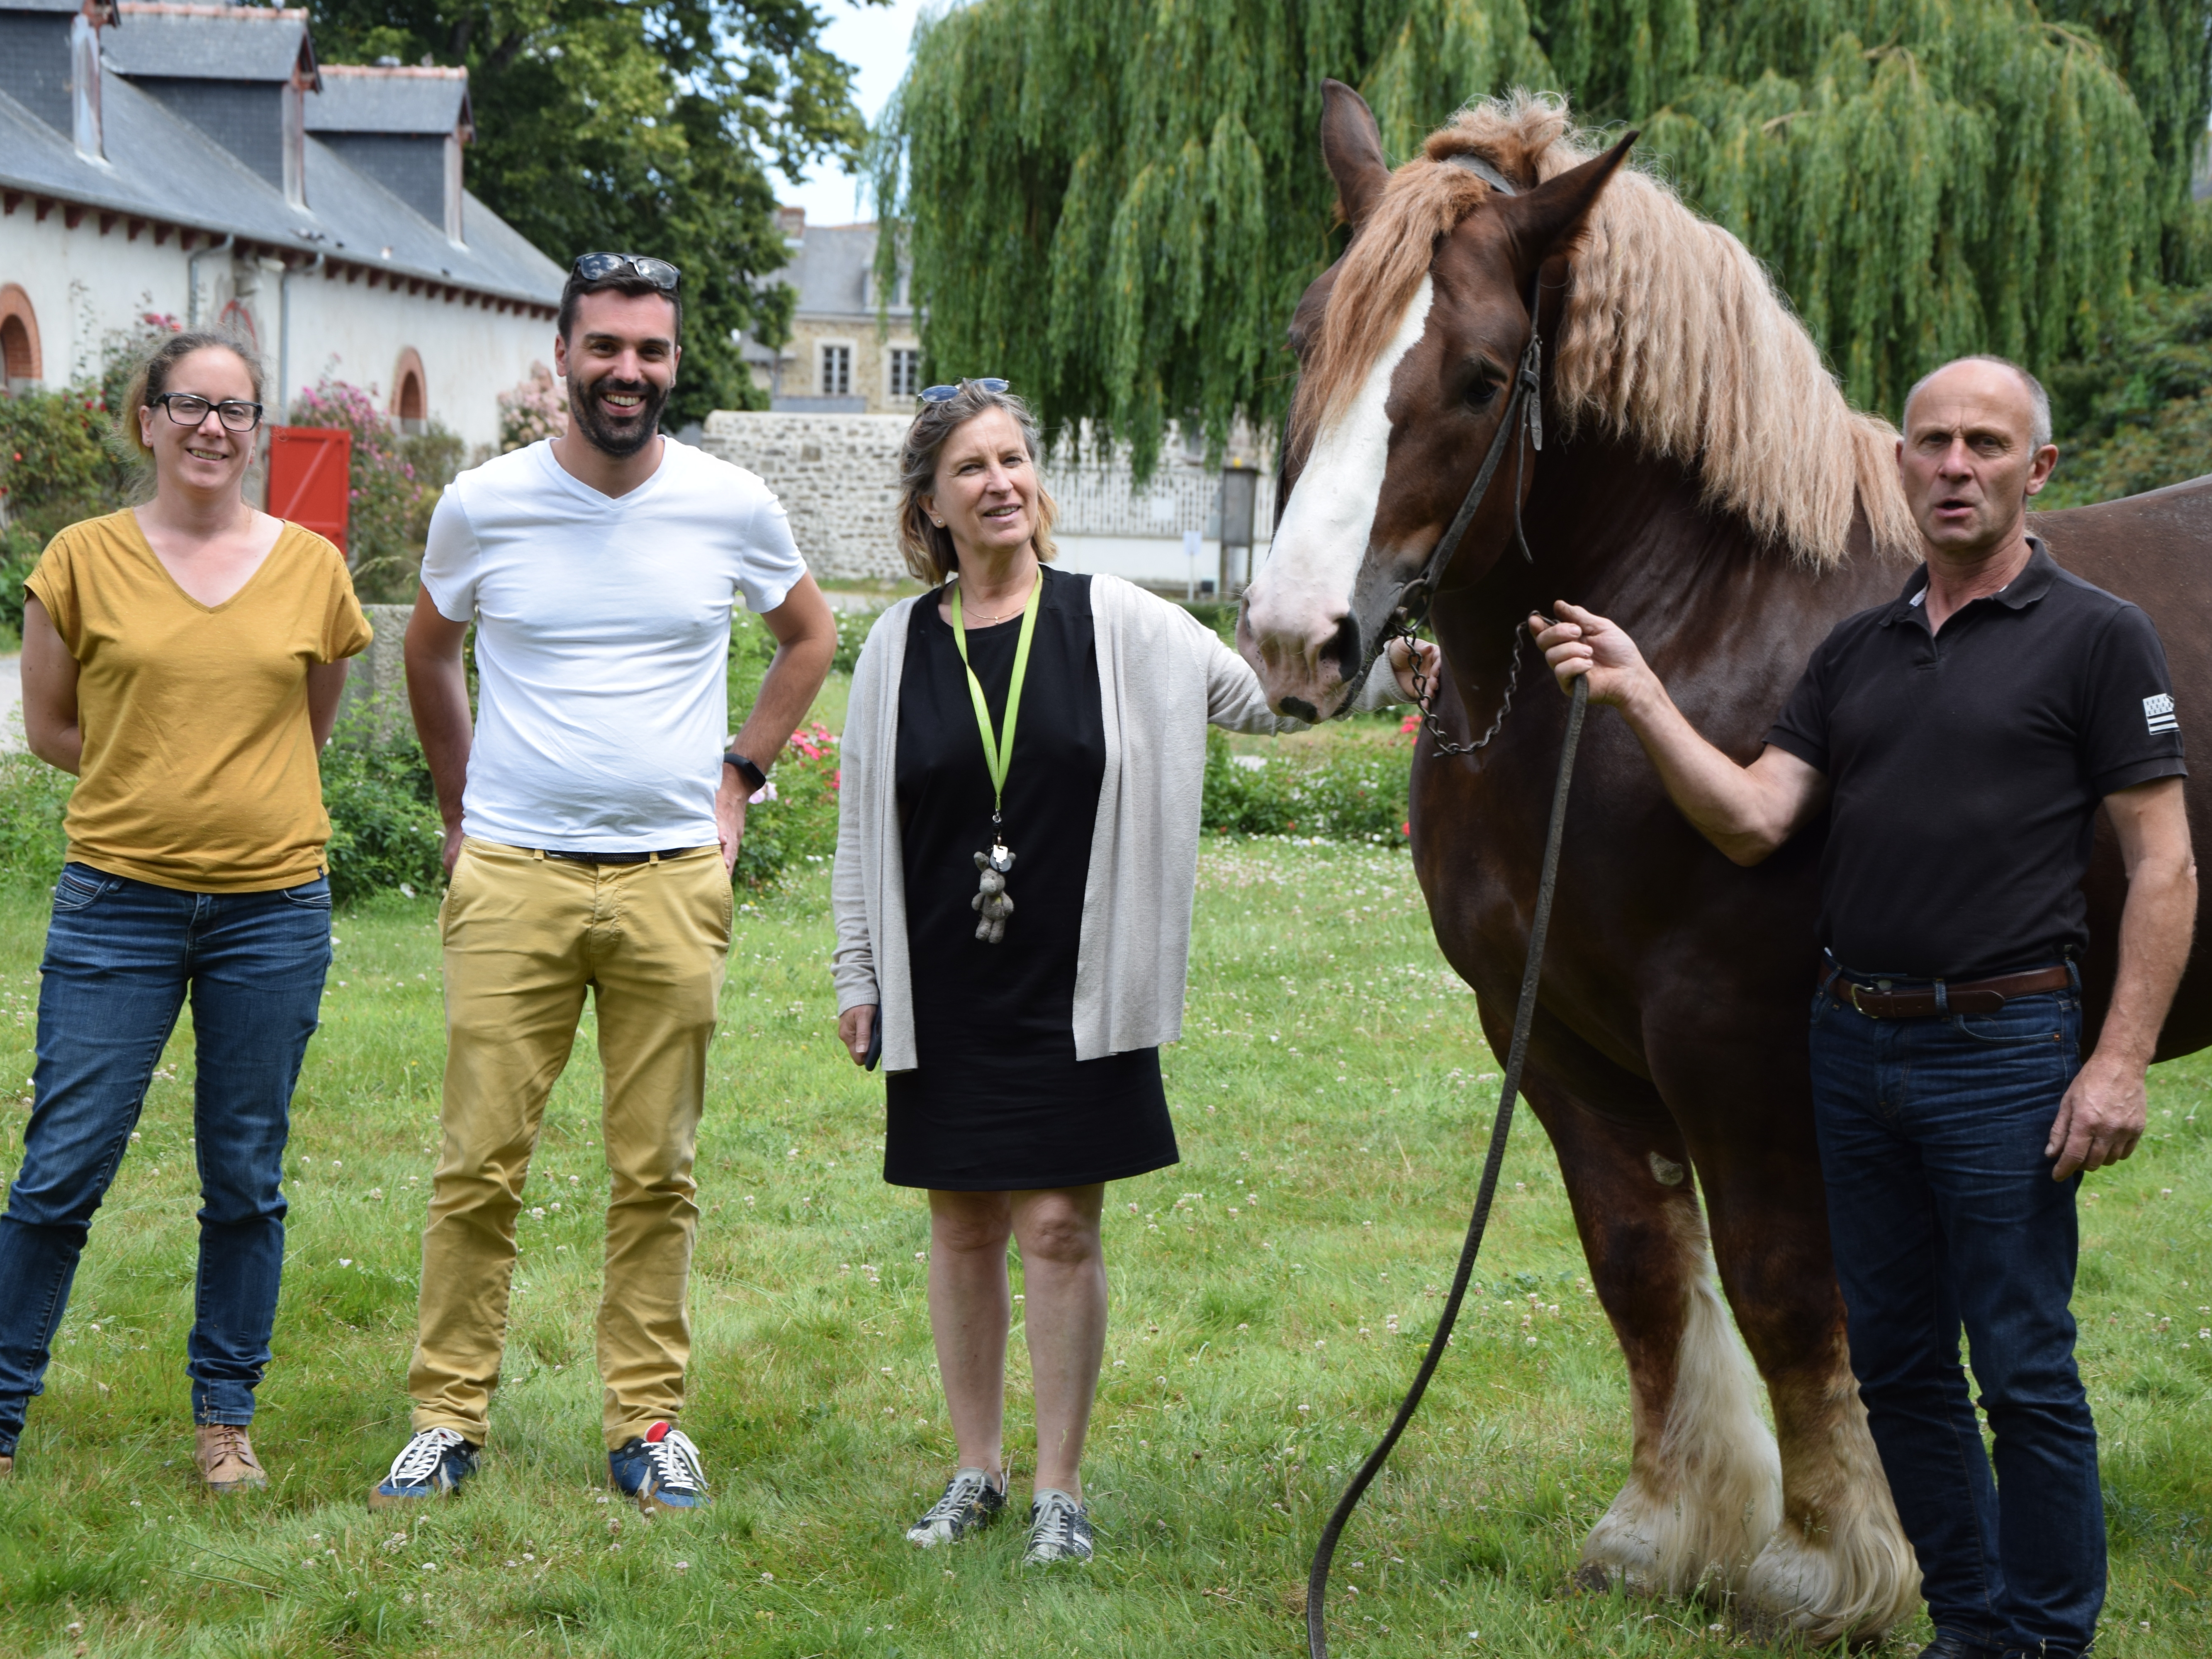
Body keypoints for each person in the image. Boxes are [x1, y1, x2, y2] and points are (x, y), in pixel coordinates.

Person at [1531, 355, 2195, 1659]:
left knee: (2023, 1369)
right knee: (1896, 1371)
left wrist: (2117, 1062)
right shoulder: (1859, 650)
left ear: (2035, 472)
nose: (1956, 466)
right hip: (1857, 1047)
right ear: (1901, 464)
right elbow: (1755, 818)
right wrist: (1641, 691)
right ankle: (1969, 1623)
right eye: (1933, 442)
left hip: (2005, 1047)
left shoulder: (2100, 636)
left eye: (1986, 446)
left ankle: (2047, 1637)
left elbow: (2165, 862)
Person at [831, 379, 1427, 1564]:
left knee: (1054, 1227)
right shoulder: (898, 647)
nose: (1002, 483)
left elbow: (1270, 701)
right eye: (972, 469)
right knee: (959, 1226)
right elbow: (861, 828)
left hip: (1081, 980)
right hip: (947, 979)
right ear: (931, 506)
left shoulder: (1121, 620)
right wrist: (859, 973)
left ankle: (1059, 1485)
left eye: (1015, 459)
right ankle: (974, 1470)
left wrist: (1384, 665)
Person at [370, 253, 837, 1514]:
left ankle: (647, 1422)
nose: (628, 371)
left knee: (657, 1169)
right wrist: (461, 808)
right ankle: (447, 1417)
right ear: (562, 357)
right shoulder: (482, 504)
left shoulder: (731, 503)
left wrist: (739, 777)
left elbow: (811, 634)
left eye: (651, 350)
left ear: (673, 362)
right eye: (606, 348)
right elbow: (429, 652)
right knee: (478, 1162)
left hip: (671, 880)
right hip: (514, 877)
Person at [0, 331, 372, 1491]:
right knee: (62, 1166)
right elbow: (56, 729)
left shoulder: (312, 567)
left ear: (256, 428)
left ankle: (225, 1422)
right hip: (119, 901)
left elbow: (304, 727)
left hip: (272, 909)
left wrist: (227, 792)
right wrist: (160, 786)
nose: (213, 427)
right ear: (146, 420)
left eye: (236, 409)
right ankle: (1, 1416)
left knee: (244, 1174)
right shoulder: (78, 560)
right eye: (188, 405)